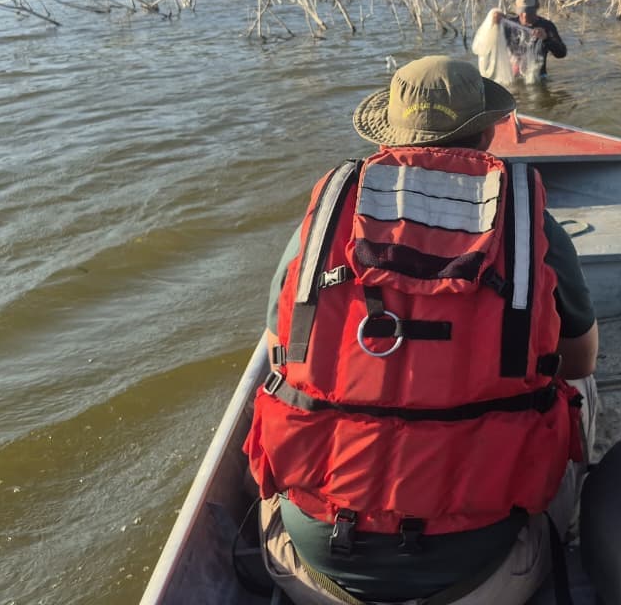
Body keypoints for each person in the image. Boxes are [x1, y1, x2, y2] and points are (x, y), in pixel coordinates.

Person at [245, 56, 599, 605]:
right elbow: (580, 361)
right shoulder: (531, 219)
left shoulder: (328, 212)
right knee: (572, 383)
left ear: (388, 135)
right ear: (487, 132)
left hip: (317, 577)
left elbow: (279, 355)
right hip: (481, 581)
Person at [491, 0, 567, 78]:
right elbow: (490, 44)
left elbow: (561, 53)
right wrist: (494, 25)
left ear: (536, 8)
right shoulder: (508, 25)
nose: (525, 16)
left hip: (538, 78)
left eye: (529, 12)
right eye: (521, 12)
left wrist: (546, 38)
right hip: (514, 78)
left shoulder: (546, 26)